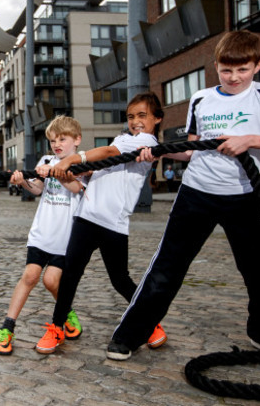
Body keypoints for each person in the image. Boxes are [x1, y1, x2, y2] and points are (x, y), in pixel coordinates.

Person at [107, 30, 260, 361]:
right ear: (215, 65)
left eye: (242, 70)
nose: (233, 77)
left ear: (257, 65)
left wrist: (251, 141)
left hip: (245, 196)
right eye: (226, 70)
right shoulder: (201, 99)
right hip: (196, 193)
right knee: (166, 268)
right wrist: (159, 152)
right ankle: (131, 335)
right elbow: (193, 149)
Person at [34, 92, 168, 354]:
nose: (136, 121)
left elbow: (107, 152)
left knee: (120, 279)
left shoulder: (147, 142)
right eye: (131, 116)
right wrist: (68, 171)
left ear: (157, 119)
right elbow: (99, 167)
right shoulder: (123, 139)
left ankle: (150, 322)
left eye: (142, 115)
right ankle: (57, 327)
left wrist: (72, 159)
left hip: (113, 224)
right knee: (70, 274)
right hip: (87, 216)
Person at [0, 116, 87, 355]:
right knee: (30, 276)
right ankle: (7, 328)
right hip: (41, 233)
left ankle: (66, 313)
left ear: (77, 140)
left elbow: (77, 188)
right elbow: (37, 189)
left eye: (62, 139)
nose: (57, 144)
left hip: (66, 239)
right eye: (53, 140)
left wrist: (57, 173)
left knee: (51, 281)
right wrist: (23, 180)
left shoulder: (83, 163)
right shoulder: (46, 160)